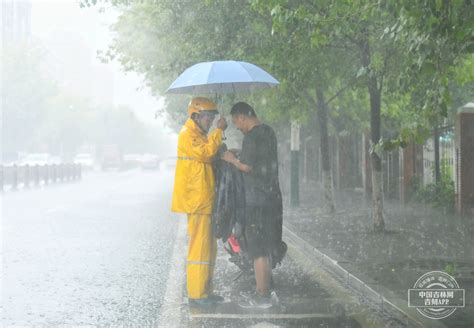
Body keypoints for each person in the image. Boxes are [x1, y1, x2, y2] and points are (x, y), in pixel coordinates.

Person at [221, 101, 283, 309]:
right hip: (272, 197)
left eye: (236, 122)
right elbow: (260, 159)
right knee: (266, 244)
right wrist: (241, 151)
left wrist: (231, 159)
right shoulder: (268, 132)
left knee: (258, 249)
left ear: (242, 117)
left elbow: (247, 167)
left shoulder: (251, 136)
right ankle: (266, 287)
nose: (237, 127)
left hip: (256, 201)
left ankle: (262, 295)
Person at [171, 97, 228, 307]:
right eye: (207, 117)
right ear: (195, 115)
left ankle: (205, 290)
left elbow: (209, 155)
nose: (210, 121)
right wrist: (219, 131)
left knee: (208, 248)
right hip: (197, 199)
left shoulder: (199, 134)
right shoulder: (188, 135)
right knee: (199, 248)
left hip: (204, 198)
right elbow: (205, 154)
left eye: (212, 117)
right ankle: (197, 294)